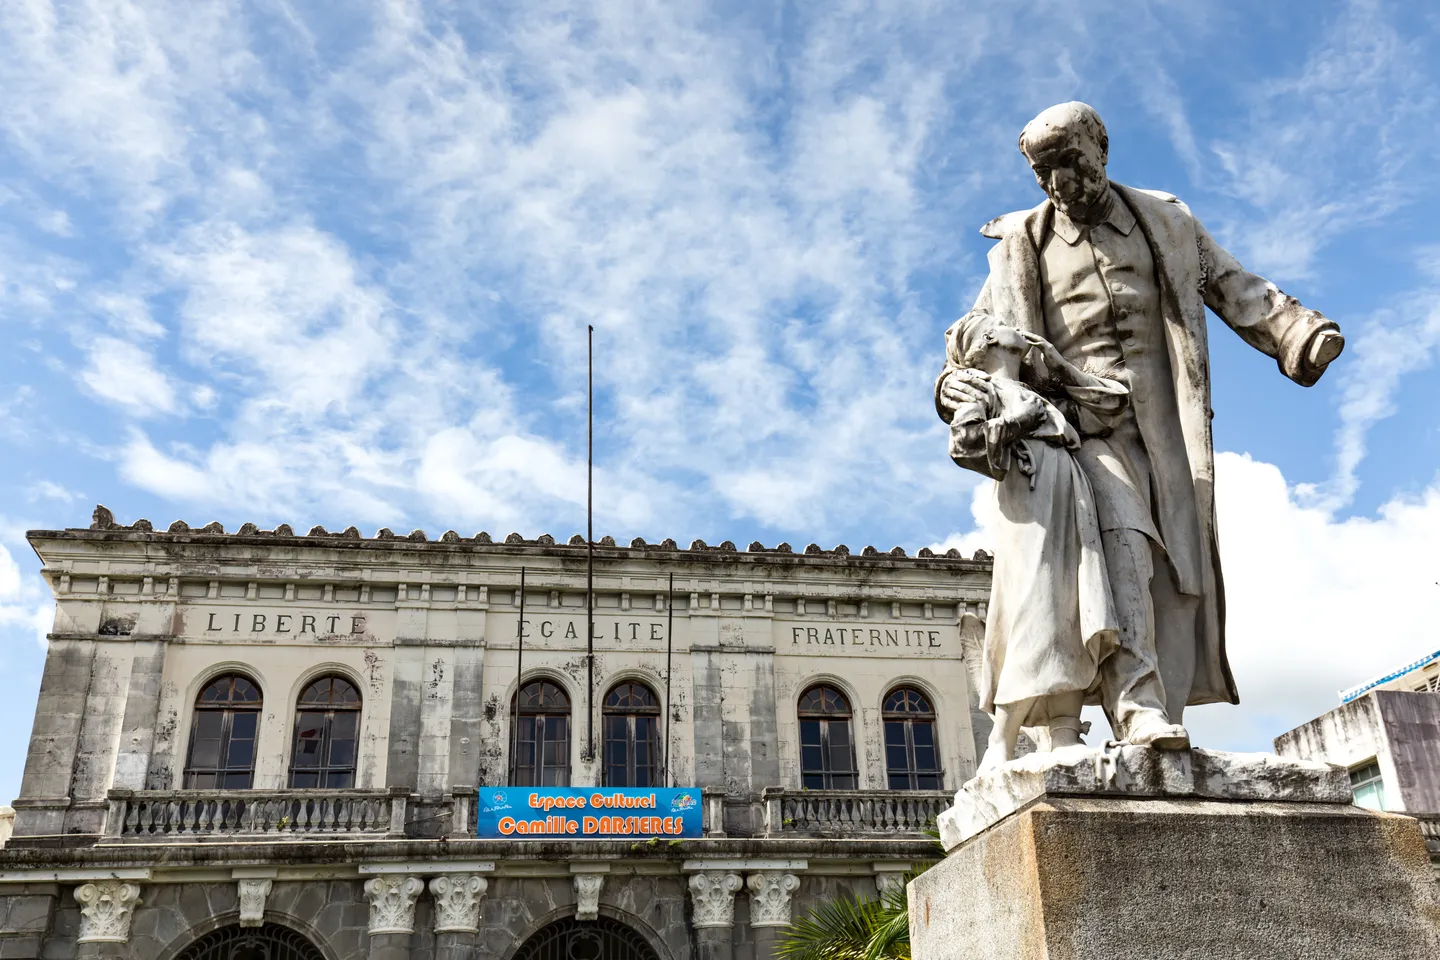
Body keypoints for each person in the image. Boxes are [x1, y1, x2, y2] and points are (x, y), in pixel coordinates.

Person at [937, 102, 1344, 749]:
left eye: (1069, 164)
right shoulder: (1025, 245)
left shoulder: (1165, 222)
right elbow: (969, 346)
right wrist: (960, 397)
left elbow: (1231, 284)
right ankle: (1137, 706)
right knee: (1122, 539)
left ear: (1101, 149)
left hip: (1164, 430)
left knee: (1166, 574)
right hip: (1078, 429)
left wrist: (1296, 332)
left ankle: (1151, 711)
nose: (1060, 185)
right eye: (1044, 174)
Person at [943, 309, 1129, 771]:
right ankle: (1001, 743)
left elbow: (1113, 404)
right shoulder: (983, 389)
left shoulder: (1036, 391)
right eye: (1005, 323)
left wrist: (1057, 370)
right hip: (1028, 497)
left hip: (1067, 493)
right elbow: (964, 444)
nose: (1017, 326)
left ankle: (1065, 732)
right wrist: (1019, 422)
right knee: (1036, 604)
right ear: (988, 340)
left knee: (1070, 604)